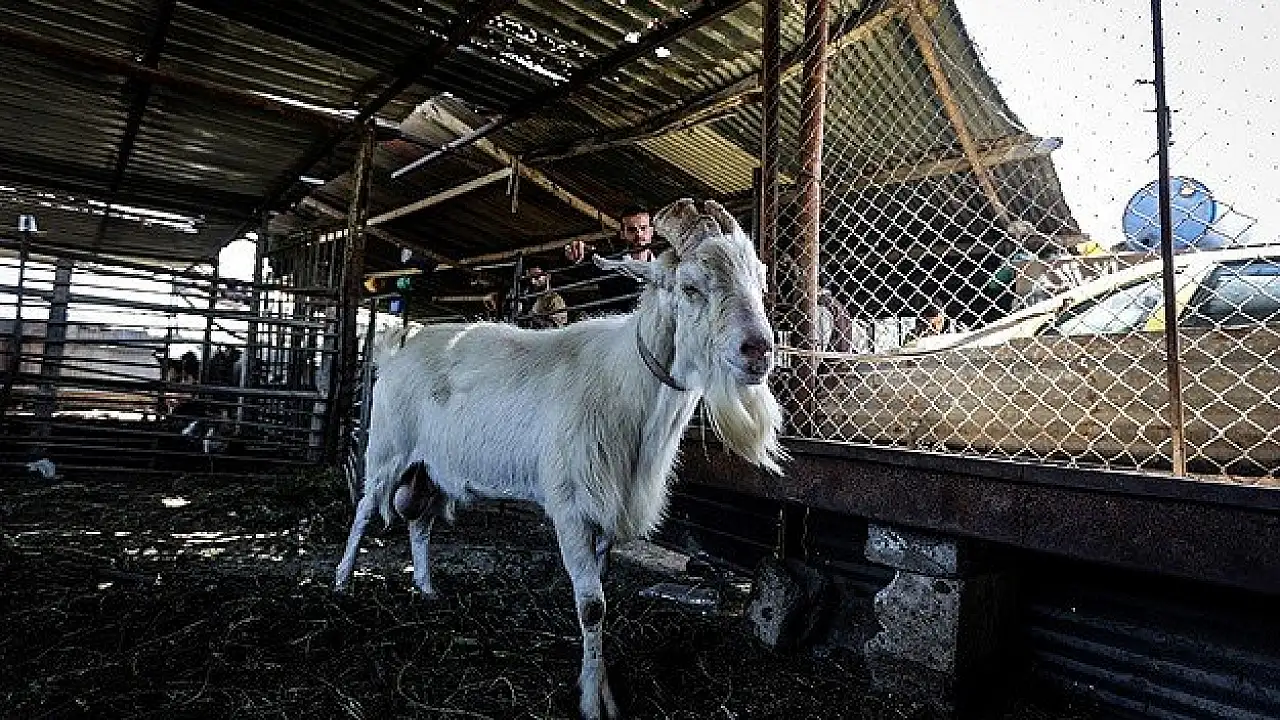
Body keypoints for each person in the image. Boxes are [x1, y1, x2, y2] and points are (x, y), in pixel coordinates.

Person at [564, 204, 656, 314]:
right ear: (622, 234)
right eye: (631, 230)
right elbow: (579, 270)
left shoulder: (664, 267)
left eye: (643, 228)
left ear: (651, 231)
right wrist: (573, 253)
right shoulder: (608, 263)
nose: (639, 234)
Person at [522, 264, 568, 329]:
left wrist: (533, 317)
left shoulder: (555, 300)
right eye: (530, 278)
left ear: (547, 276)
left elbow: (557, 328)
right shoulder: (528, 297)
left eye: (537, 277)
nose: (533, 282)